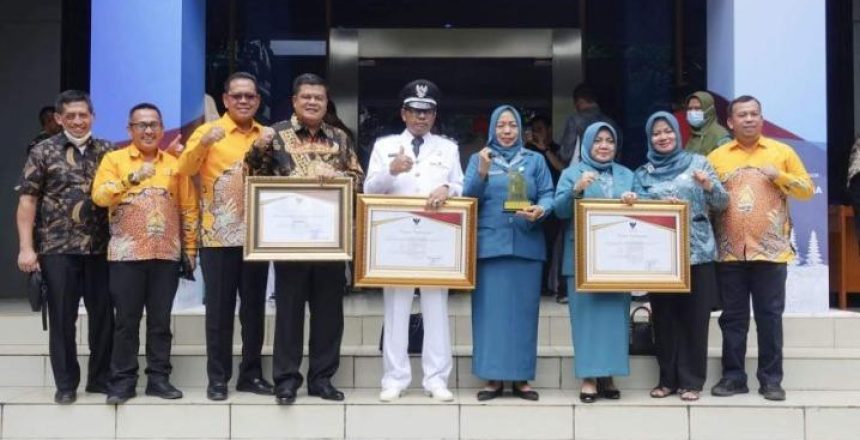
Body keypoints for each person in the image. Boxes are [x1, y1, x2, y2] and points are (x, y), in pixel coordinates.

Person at [246, 73, 364, 405]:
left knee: (329, 314)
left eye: (319, 98)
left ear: (326, 103)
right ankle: (286, 380)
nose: (313, 102)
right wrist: (257, 147)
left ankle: (322, 379)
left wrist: (338, 176)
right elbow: (253, 175)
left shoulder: (340, 138)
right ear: (294, 101)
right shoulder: (276, 135)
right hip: (290, 240)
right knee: (289, 312)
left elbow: (358, 180)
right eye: (306, 97)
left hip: (330, 240)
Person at [707, 95, 814, 401]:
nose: (749, 119)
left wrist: (779, 176)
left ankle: (771, 380)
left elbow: (806, 190)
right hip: (730, 252)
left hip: (771, 252)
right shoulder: (718, 156)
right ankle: (733, 377)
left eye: (754, 113)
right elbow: (709, 199)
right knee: (733, 318)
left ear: (762, 118)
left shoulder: (782, 152)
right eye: (742, 114)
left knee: (769, 317)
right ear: (731, 121)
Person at [364, 79, 464, 402]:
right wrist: (391, 170)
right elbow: (369, 190)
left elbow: (461, 184)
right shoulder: (385, 145)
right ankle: (394, 378)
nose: (421, 118)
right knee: (396, 308)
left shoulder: (448, 148)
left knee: (436, 307)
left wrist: (448, 189)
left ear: (434, 116)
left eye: (428, 112)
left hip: (435, 237)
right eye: (415, 111)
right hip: (397, 236)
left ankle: (436, 378)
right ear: (403, 113)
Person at [92, 103, 198, 404]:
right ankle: (123, 381)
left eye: (154, 124)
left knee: (161, 321)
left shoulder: (175, 165)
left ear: (162, 130)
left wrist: (190, 249)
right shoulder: (114, 160)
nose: (148, 130)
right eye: (142, 125)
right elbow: (99, 197)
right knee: (126, 321)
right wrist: (132, 178)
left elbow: (188, 209)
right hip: (127, 256)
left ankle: (159, 379)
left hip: (165, 255)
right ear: (130, 129)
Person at [177, 72, 273, 401]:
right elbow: (185, 170)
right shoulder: (207, 132)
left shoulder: (268, 135)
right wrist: (203, 144)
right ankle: (217, 378)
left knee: (254, 311)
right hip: (218, 237)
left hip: (257, 237)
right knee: (219, 311)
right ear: (225, 99)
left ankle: (251, 374)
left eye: (250, 96)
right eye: (237, 96)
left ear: (258, 100)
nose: (244, 101)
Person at [16, 90, 114, 404]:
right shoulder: (43, 151)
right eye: (70, 115)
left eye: (82, 115)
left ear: (92, 117)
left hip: (100, 248)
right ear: (59, 119)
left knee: (103, 317)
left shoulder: (107, 151)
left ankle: (99, 379)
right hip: (56, 248)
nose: (77, 120)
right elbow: (28, 201)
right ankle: (66, 383)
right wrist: (26, 248)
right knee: (62, 318)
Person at [621, 111, 728, 401]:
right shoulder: (642, 173)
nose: (663, 137)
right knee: (665, 320)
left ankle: (692, 382)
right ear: (649, 138)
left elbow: (721, 202)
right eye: (656, 133)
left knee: (695, 320)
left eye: (667, 131)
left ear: (677, 134)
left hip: (698, 254)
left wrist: (707, 184)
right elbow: (636, 216)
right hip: (661, 259)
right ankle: (667, 379)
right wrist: (633, 202)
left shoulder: (699, 163)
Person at [463, 105, 554, 401]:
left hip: (527, 246)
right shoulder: (480, 159)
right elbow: (468, 199)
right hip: (490, 247)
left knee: (524, 315)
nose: (506, 131)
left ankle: (521, 379)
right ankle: (492, 378)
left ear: (520, 130)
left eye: (512, 125)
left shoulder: (535, 160)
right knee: (490, 315)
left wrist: (541, 209)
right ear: (492, 128)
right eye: (500, 125)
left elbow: (548, 194)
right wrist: (482, 173)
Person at [553, 122, 632, 403]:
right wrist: (576, 189)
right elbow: (559, 212)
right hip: (582, 260)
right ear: (587, 144)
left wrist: (634, 200)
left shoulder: (626, 175)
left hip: (619, 261)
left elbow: (644, 209)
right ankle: (588, 377)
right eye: (597, 140)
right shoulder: (571, 173)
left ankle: (608, 375)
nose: (604, 145)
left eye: (609, 140)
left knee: (614, 319)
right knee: (586, 320)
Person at [525, 113, 567, 303]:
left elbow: (563, 169)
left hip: (554, 206)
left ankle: (550, 286)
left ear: (549, 130)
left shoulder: (558, 149)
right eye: (534, 131)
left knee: (551, 247)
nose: (537, 134)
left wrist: (545, 149)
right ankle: (536, 285)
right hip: (529, 207)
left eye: (540, 130)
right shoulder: (526, 151)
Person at [559, 84, 622, 165]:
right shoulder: (612, 123)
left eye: (575, 103)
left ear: (580, 101)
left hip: (583, 174)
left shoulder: (574, 121)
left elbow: (565, 154)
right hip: (608, 173)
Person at [685, 91, 731, 156]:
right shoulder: (695, 134)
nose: (692, 112)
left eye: (697, 108)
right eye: (690, 109)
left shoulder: (720, 136)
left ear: (709, 110)